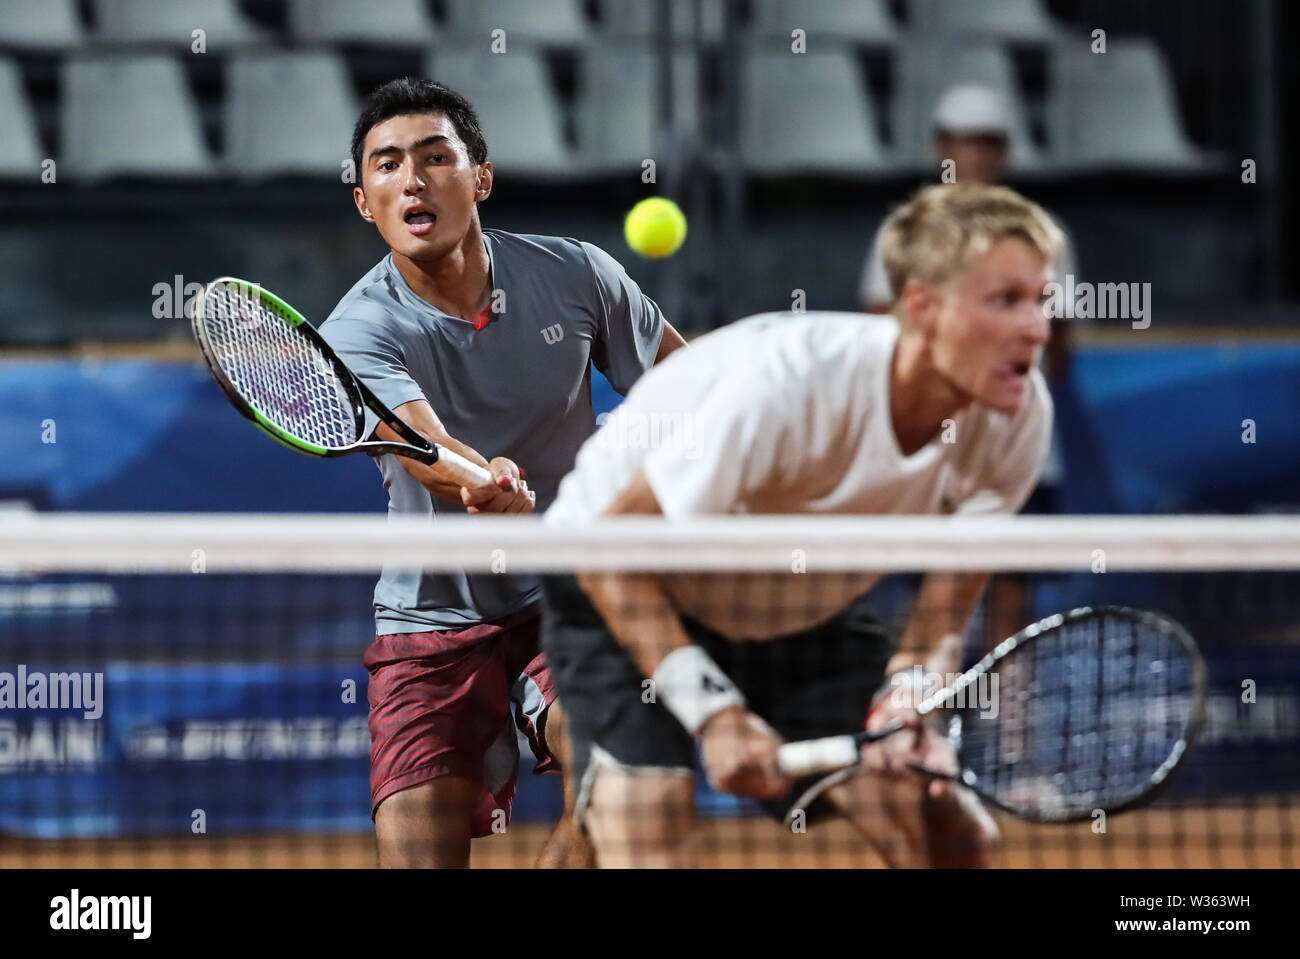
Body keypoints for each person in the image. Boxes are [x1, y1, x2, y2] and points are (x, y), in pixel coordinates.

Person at [541, 182, 1062, 868]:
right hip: (618, 576)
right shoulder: (786, 387)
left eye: (1042, 300)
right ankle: (600, 813)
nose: (1036, 328)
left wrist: (905, 708)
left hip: (791, 603)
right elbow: (614, 548)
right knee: (648, 841)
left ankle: (595, 816)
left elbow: (939, 620)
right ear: (924, 309)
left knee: (954, 836)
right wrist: (715, 714)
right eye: (1006, 301)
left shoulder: (1016, 417)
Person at [319, 78, 686, 868]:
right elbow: (427, 448)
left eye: (434, 157)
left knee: (619, 769)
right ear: (364, 201)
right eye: (386, 166)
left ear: (479, 178)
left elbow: (689, 392)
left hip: (568, 597)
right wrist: (479, 483)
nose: (412, 180)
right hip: (432, 626)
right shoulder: (356, 331)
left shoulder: (577, 275)